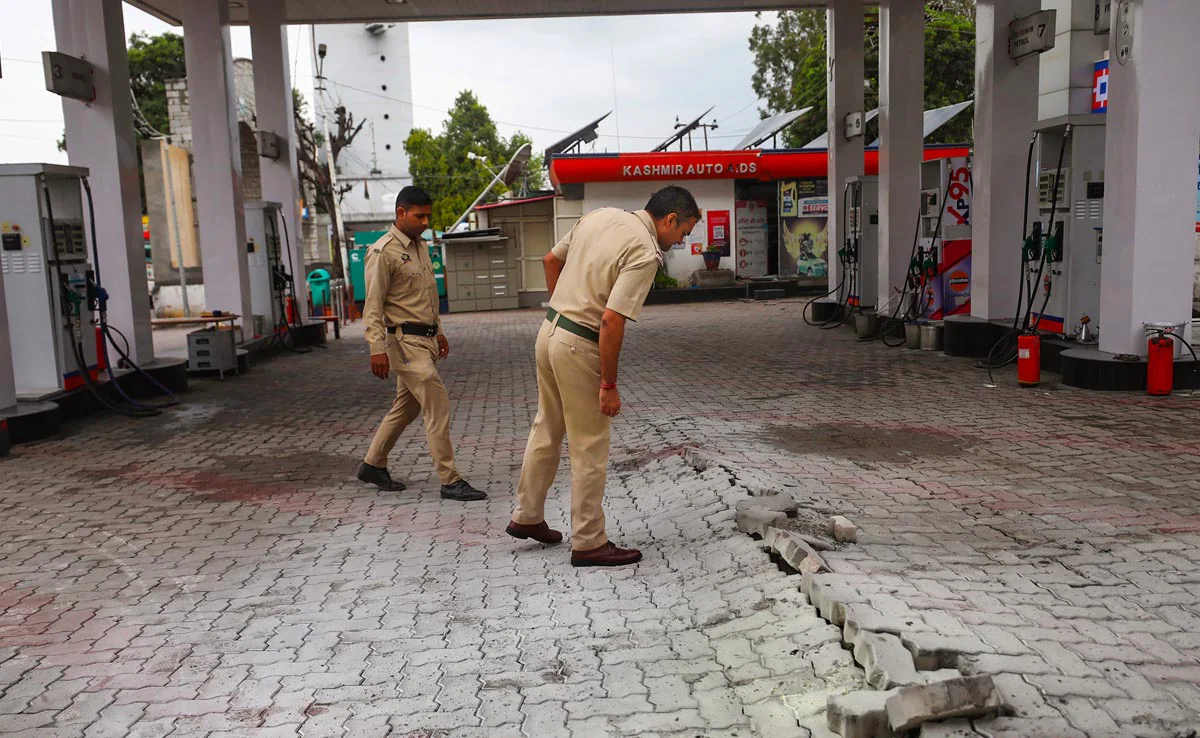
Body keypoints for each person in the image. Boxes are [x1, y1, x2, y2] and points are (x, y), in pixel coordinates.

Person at [506, 186, 701, 567]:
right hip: (579, 344)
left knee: (546, 427)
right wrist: (608, 386)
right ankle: (589, 541)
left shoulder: (599, 216)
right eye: (684, 232)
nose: (680, 241)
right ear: (670, 219)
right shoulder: (645, 252)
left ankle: (527, 516)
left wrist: (564, 311)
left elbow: (549, 260)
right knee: (590, 444)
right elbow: (611, 321)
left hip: (549, 333)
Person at [357, 186, 486, 502]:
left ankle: (372, 464)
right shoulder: (382, 252)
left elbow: (426, 295)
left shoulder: (421, 247)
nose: (426, 221)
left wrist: (439, 330)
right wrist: (376, 348)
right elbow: (372, 306)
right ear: (400, 213)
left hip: (425, 339)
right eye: (420, 215)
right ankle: (450, 479)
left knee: (405, 408)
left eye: (428, 215)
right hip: (402, 342)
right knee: (437, 403)